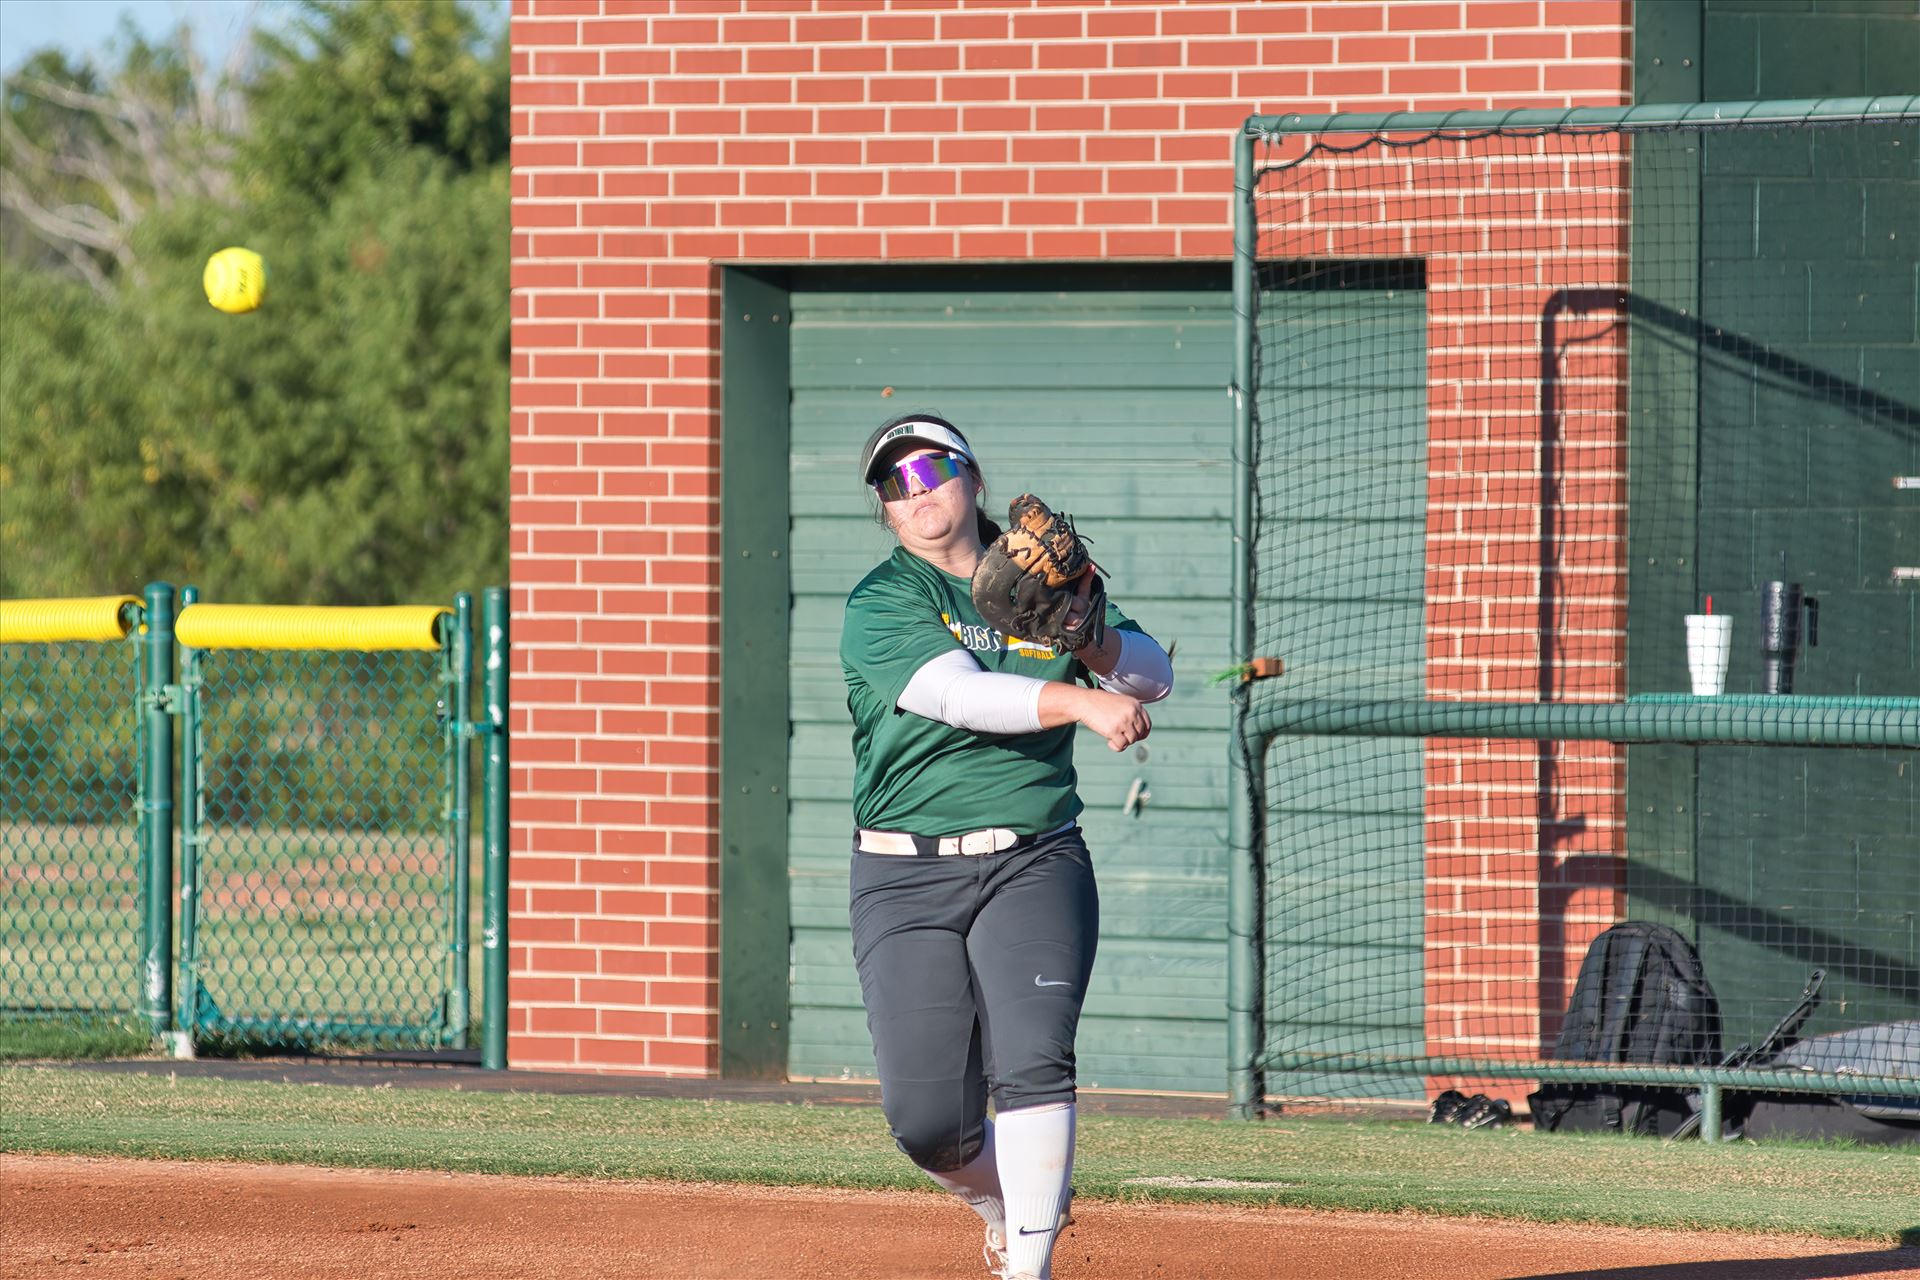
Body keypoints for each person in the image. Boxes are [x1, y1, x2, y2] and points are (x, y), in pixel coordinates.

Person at [839, 414, 1175, 1280]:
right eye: (894, 484)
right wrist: (1080, 703)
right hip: (903, 873)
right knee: (928, 1125)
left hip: (1033, 859)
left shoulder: (1043, 573)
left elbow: (1153, 676)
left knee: (1033, 1060)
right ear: (883, 509)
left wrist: (1088, 636)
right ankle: (1003, 1203)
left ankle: (1030, 1267)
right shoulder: (883, 602)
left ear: (973, 477)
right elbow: (960, 696)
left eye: (932, 469)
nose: (917, 493)